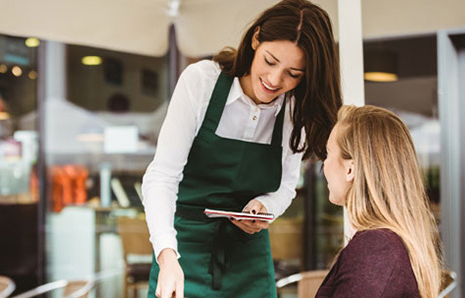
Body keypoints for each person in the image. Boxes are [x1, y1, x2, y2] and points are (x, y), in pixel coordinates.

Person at [141, 0, 341, 297]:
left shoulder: (295, 109)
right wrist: (166, 254)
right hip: (180, 253)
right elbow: (162, 177)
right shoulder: (201, 82)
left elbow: (285, 188)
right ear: (255, 38)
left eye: (293, 73)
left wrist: (264, 208)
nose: (275, 80)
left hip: (249, 263)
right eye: (270, 61)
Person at [316, 105, 444, 298]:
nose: (324, 164)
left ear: (351, 169)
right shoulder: (383, 245)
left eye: (328, 153)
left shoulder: (376, 248)